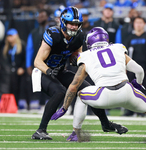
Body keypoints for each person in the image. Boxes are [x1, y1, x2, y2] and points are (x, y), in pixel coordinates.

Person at [51, 27, 146, 143]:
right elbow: (139, 70)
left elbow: (74, 86)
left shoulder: (85, 56)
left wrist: (64, 107)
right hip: (127, 92)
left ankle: (76, 133)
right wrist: (138, 84)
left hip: (103, 96)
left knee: (81, 96)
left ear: (90, 42)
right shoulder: (118, 48)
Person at [31, 6, 128, 140]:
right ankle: (40, 130)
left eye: (76, 24)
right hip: (42, 71)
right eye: (71, 23)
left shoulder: (79, 36)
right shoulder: (53, 34)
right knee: (59, 92)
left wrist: (75, 59)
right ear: (63, 22)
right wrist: (48, 70)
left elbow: (78, 57)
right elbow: (37, 61)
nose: (73, 27)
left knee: (89, 89)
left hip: (60, 71)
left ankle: (105, 124)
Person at [123, 16, 146, 116]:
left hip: (144, 66)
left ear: (144, 24)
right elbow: (124, 54)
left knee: (144, 88)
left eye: (141, 22)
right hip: (131, 67)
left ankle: (143, 110)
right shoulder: (130, 38)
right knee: (129, 89)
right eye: (137, 22)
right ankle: (129, 110)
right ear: (134, 24)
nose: (138, 25)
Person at [1, 28, 26, 107]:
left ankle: (17, 104)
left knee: (17, 88)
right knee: (8, 88)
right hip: (9, 71)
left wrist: (22, 68)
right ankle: (8, 105)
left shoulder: (22, 45)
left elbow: (26, 58)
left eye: (11, 36)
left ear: (16, 36)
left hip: (19, 70)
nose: (10, 38)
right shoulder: (6, 48)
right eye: (8, 36)